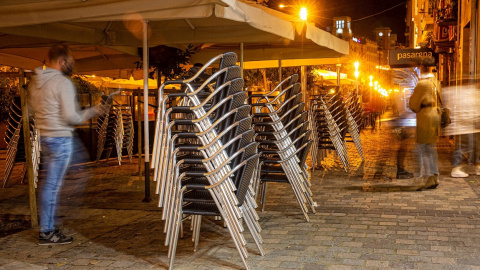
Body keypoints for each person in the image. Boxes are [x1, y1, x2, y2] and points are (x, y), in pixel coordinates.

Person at [30, 45, 103, 245]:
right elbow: (71, 116)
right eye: (71, 60)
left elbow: (32, 110)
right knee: (61, 182)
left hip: (46, 137)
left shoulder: (36, 82)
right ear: (62, 62)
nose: (73, 64)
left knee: (53, 183)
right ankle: (48, 228)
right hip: (61, 138)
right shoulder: (62, 83)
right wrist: (93, 111)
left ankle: (52, 220)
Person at [408, 65, 440, 189]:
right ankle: (435, 176)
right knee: (431, 147)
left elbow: (413, 104)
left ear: (422, 68)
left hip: (425, 116)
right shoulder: (436, 83)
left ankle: (429, 176)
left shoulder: (422, 84)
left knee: (423, 148)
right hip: (435, 115)